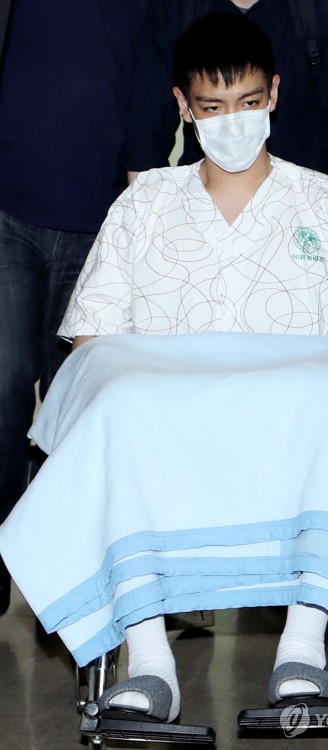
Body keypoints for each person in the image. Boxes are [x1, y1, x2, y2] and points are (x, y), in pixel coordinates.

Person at [1, 13, 328, 725]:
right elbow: (93, 343)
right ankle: (149, 662)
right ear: (182, 108)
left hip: (298, 435)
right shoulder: (144, 207)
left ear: (275, 94)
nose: (233, 122)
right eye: (212, 108)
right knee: (119, 399)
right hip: (165, 437)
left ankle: (303, 648)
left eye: (248, 102)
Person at [0, 0, 149, 614]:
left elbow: (157, 75)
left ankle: (63, 566)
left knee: (78, 402)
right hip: (9, 210)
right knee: (6, 379)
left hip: (101, 223)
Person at [123, 0, 328, 187]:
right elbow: (147, 120)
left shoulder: (321, 8)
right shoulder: (177, 7)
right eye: (214, 106)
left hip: (304, 193)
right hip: (203, 193)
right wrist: (146, 209)